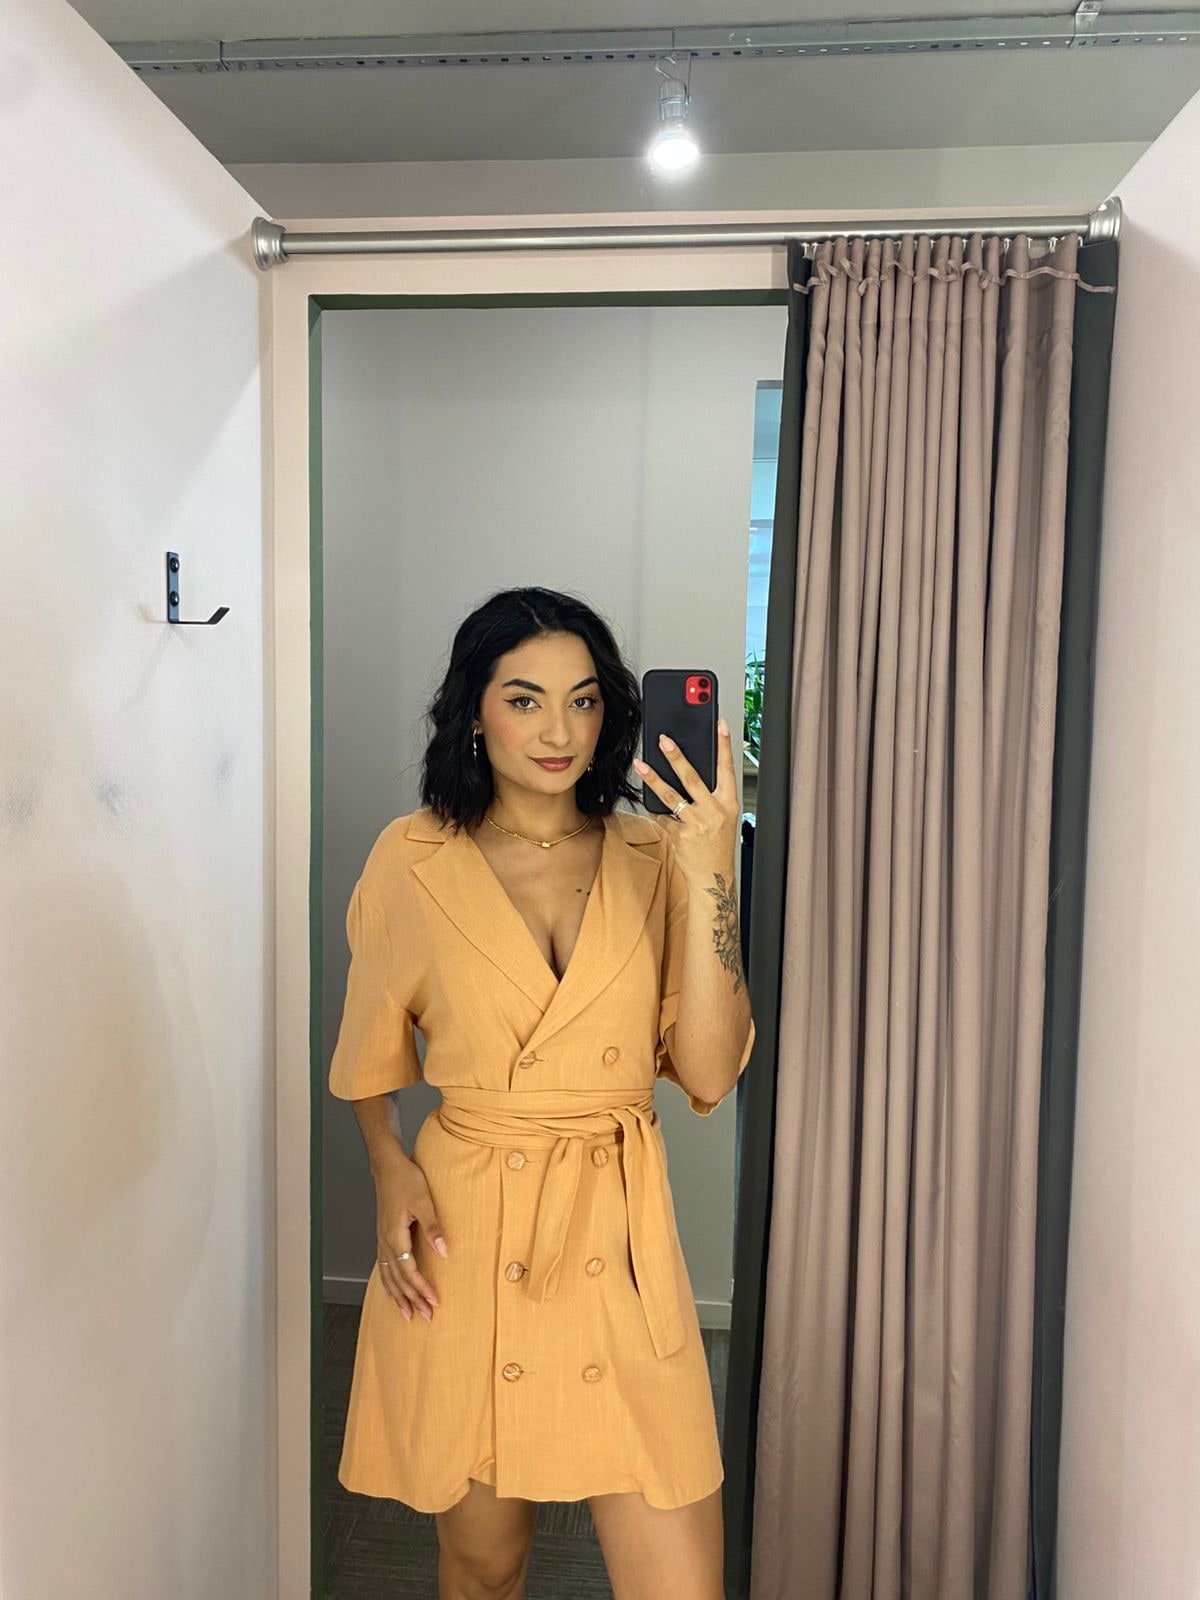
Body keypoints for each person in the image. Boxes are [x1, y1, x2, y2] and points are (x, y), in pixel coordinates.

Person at [328, 586, 755, 1600]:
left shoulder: (655, 857)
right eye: (524, 700)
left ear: (612, 713)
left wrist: (711, 867)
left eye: (583, 700)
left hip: (619, 1232)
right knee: (484, 1565)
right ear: (473, 712)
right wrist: (390, 1167)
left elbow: (706, 1071)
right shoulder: (411, 857)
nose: (559, 731)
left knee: (682, 1586)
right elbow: (368, 1053)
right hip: (469, 1223)